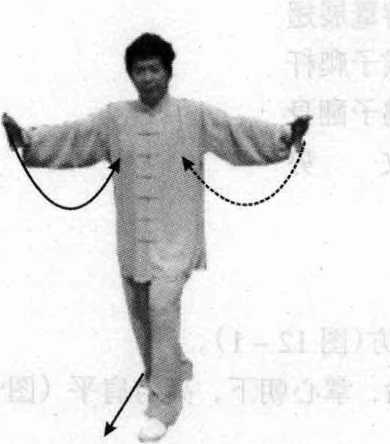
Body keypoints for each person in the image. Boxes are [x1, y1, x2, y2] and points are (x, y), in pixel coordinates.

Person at [2, 33, 311, 442]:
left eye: (154, 69)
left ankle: (165, 404)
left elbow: (236, 132)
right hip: (133, 236)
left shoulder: (193, 115)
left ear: (168, 72)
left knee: (162, 308)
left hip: (176, 235)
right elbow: (75, 137)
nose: (147, 77)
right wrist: (28, 140)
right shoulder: (114, 118)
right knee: (140, 312)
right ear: (130, 75)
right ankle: (171, 369)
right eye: (139, 70)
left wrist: (283, 136)